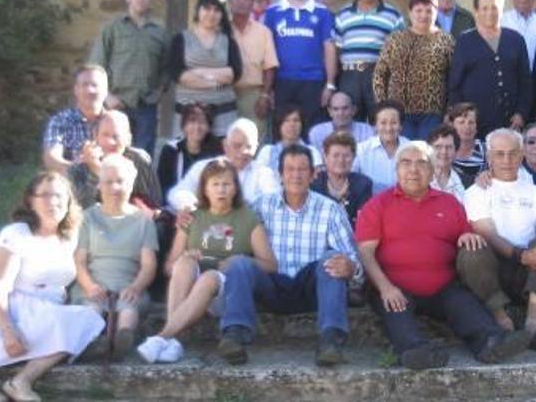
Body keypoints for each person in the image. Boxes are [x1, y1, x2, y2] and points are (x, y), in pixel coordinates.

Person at [355, 141, 532, 369]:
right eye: (406, 163)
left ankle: (491, 343)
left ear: (432, 170)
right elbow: (365, 252)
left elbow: (466, 234)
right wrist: (385, 287)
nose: (413, 169)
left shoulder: (449, 202)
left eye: (421, 163)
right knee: (396, 310)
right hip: (394, 285)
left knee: (462, 302)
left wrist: (468, 237)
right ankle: (415, 351)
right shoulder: (377, 205)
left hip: (443, 285)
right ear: (397, 169)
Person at [217, 145, 361, 366]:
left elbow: (354, 258)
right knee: (239, 263)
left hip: (310, 287)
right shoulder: (260, 206)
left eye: (303, 169)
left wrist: (351, 267)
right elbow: (233, 239)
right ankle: (234, 336)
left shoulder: (330, 209)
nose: (296, 175)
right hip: (271, 284)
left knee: (334, 258)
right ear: (280, 174)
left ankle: (331, 341)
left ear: (313, 174)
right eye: (290, 169)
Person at [136, 160, 276, 364]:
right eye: (215, 184)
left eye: (226, 184)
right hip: (192, 289)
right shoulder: (192, 217)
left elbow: (271, 265)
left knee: (210, 277)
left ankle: (162, 336)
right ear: (205, 189)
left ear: (235, 188)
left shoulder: (248, 218)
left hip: (228, 293)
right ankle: (173, 341)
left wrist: (241, 260)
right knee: (183, 265)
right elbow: (168, 267)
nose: (221, 190)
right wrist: (185, 257)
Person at [0, 172, 104, 402]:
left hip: (48, 309)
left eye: (59, 196)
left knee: (88, 318)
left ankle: (21, 381)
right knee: (55, 321)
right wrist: (7, 330)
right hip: (10, 306)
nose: (53, 202)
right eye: (45, 196)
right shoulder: (17, 234)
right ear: (30, 201)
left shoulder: (69, 237)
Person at [458, 129, 536, 352]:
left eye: (512, 153)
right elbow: (488, 233)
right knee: (472, 251)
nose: (506, 160)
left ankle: (533, 327)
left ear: (522, 156)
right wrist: (522, 255)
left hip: (528, 270)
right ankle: (502, 319)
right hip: (491, 269)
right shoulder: (476, 191)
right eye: (499, 154)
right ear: (489, 157)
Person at [71, 154, 158, 360]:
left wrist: (136, 287)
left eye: (121, 181)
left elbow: (148, 265)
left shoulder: (143, 221)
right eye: (108, 182)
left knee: (129, 307)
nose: (115, 188)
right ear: (99, 186)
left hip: (128, 284)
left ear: (131, 184)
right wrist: (90, 285)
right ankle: (92, 342)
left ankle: (123, 339)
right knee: (92, 307)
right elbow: (80, 260)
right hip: (93, 285)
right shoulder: (88, 217)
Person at [88, 0, 169, 156]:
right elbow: (96, 66)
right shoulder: (112, 29)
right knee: (111, 153)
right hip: (116, 104)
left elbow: (166, 69)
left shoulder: (160, 32)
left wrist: (157, 94)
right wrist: (107, 96)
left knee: (142, 157)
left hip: (146, 107)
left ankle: (139, 185)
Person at [449, 0, 532, 136]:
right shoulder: (465, 40)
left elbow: (525, 82)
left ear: (502, 10)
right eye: (485, 8)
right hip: (475, 124)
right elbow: (455, 84)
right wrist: (462, 116)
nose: (490, 12)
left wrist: (521, 113)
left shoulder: (516, 39)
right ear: (476, 12)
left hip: (510, 122)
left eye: (494, 8)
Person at [263, 0, 338, 130]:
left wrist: (330, 84)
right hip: (281, 81)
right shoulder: (272, 12)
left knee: (311, 129)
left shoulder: (322, 12)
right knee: (281, 129)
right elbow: (267, 50)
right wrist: (267, 89)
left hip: (313, 81)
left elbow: (329, 48)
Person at [374, 0, 453, 140]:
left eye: (429, 11)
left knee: (427, 153)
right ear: (410, 13)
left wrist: (449, 110)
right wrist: (382, 106)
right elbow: (380, 74)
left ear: (436, 13)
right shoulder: (395, 39)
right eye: (419, 10)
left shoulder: (446, 40)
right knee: (404, 153)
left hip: (432, 113)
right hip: (399, 113)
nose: (424, 15)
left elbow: (453, 77)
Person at [168, 0, 243, 137]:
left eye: (216, 10)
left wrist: (198, 72)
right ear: (198, 10)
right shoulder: (181, 39)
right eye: (207, 8)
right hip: (187, 111)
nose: (211, 14)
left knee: (219, 157)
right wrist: (215, 83)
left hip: (223, 111)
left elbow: (233, 73)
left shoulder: (228, 42)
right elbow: (178, 74)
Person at [335, 0, 404, 121]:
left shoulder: (393, 15)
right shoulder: (343, 14)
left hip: (378, 75)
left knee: (380, 119)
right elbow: (336, 50)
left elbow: (399, 52)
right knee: (349, 121)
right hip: (349, 76)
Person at [167, 118, 279, 212]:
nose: (244, 151)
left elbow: (273, 200)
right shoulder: (205, 166)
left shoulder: (264, 172)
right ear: (225, 145)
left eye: (249, 147)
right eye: (237, 146)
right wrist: (190, 206)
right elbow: (177, 192)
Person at [68, 109, 162, 210]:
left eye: (116, 136)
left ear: (128, 139)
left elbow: (156, 204)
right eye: (105, 135)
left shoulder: (139, 160)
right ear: (96, 137)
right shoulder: (80, 167)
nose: (110, 142)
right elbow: (80, 211)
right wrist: (96, 173)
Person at [229, 0, 279, 137]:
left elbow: (270, 66)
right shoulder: (221, 29)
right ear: (230, 3)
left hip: (253, 94)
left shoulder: (263, 32)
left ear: (252, 4)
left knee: (255, 137)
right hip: (225, 92)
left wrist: (264, 95)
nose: (242, 2)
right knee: (226, 136)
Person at [42, 64, 109, 173]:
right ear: (76, 90)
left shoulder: (117, 121)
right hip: (73, 184)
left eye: (95, 85)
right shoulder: (60, 122)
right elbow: (51, 160)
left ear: (106, 91)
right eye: (84, 85)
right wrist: (81, 170)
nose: (90, 90)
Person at [157, 103, 223, 201]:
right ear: (184, 126)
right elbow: (164, 186)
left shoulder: (216, 151)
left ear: (209, 127)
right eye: (192, 121)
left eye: (202, 122)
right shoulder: (171, 150)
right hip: (175, 204)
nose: (197, 127)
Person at [311, 131, 373, 227]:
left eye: (346, 156)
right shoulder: (313, 183)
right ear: (325, 157)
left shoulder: (363, 184)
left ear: (353, 158)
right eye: (335, 155)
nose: (341, 160)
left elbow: (364, 223)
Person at [353, 101, 410, 194]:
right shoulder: (361, 150)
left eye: (394, 122)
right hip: (371, 203)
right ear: (375, 126)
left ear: (401, 126)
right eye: (383, 123)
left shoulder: (412, 148)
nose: (388, 128)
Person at [256, 104, 323, 171]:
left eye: (296, 120)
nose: (292, 124)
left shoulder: (312, 152)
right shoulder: (267, 152)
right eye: (286, 120)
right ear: (279, 124)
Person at [307, 91, 375, 151]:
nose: (341, 113)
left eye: (345, 108)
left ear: (354, 110)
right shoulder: (317, 133)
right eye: (336, 109)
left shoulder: (367, 131)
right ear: (329, 111)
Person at [448, 102, 488, 187]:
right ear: (452, 125)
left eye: (471, 122)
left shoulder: (487, 150)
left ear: (476, 127)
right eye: (461, 122)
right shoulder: (444, 149)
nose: (467, 127)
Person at [426, 125, 466, 202]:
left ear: (456, 151)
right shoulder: (419, 180)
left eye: (449, 147)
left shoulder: (467, 182)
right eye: (438, 147)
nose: (444, 152)